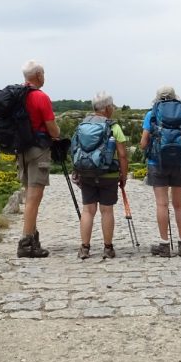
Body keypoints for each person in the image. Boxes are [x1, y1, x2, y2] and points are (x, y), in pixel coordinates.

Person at [139, 85, 181, 257]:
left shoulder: (152, 114)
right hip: (179, 163)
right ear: (174, 96)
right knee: (179, 204)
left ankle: (164, 245)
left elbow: (143, 142)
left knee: (162, 204)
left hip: (157, 163)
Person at [75, 92, 129, 260]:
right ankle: (108, 248)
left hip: (86, 173)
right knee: (107, 210)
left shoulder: (82, 125)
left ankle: (85, 248)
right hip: (108, 174)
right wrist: (124, 176)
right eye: (111, 106)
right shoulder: (114, 127)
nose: (112, 109)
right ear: (106, 108)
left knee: (88, 210)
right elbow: (122, 155)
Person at [16, 60, 60, 258]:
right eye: (43, 74)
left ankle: (32, 236)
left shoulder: (17, 96)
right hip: (38, 149)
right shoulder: (40, 97)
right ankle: (26, 242)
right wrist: (57, 134)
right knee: (35, 196)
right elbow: (51, 128)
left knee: (28, 194)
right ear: (38, 75)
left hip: (21, 150)